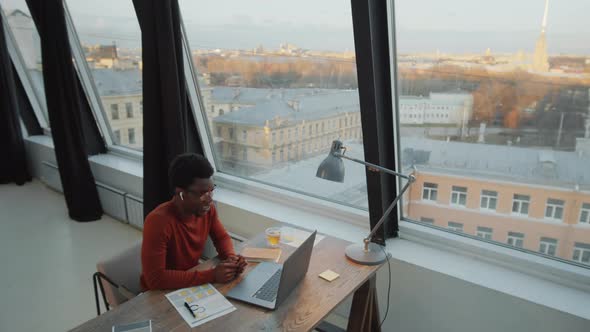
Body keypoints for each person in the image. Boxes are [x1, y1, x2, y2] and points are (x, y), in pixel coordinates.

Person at [140, 153, 247, 290]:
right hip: (157, 293)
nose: (209, 199)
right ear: (181, 194)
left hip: (188, 281)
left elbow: (221, 238)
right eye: (202, 193)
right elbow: (156, 279)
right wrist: (212, 275)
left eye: (211, 190)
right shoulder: (158, 222)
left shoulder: (207, 210)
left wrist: (231, 258)